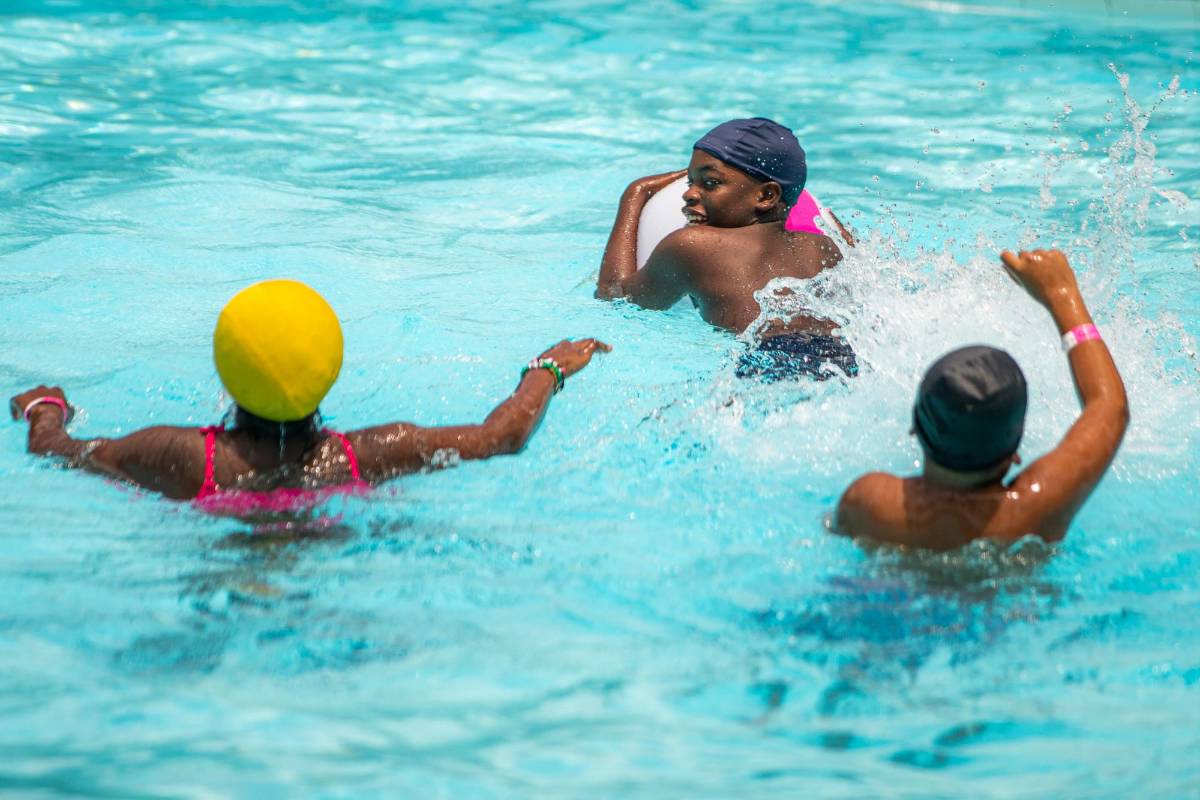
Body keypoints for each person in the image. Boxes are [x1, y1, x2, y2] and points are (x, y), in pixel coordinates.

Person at [10, 279, 609, 511]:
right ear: (330, 369)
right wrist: (548, 368)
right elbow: (499, 438)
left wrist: (44, 410)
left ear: (226, 372)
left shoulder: (177, 454)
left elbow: (59, 452)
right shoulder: (368, 454)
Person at [835, 249, 1129, 550]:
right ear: (1016, 451)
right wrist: (1062, 295)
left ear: (916, 428)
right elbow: (1109, 407)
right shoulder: (1037, 509)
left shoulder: (869, 503)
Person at [595, 117, 857, 382]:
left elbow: (614, 295)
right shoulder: (823, 247)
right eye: (689, 182)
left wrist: (634, 195)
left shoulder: (692, 246)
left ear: (766, 196)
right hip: (845, 361)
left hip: (769, 369)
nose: (688, 194)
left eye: (709, 183)